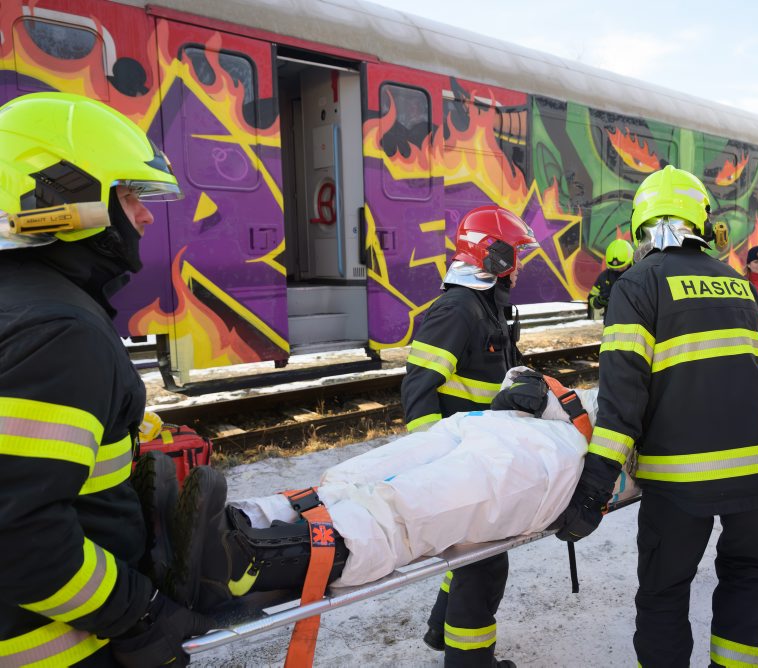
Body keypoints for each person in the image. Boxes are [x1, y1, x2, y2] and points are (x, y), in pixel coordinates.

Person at [0, 93, 211, 666]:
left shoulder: (20, 305)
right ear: (61, 195)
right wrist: (138, 615)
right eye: (128, 193)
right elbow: (17, 533)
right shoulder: (59, 329)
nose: (144, 214)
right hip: (57, 647)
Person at [557, 165, 758, 667]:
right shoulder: (736, 282)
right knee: (747, 585)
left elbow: (622, 404)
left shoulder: (637, 284)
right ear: (701, 223)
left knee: (664, 592)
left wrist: (593, 491)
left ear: (642, 226)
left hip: (683, 479)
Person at [155, 370, 616, 611]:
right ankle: (244, 520)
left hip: (565, 460)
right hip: (519, 424)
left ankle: (244, 561)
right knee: (355, 476)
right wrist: (532, 386)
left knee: (411, 508)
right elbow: (605, 397)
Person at [400, 205, 537, 666]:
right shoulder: (458, 309)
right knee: (484, 566)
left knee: (469, 554)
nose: (519, 267)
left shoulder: (487, 307)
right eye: (515, 256)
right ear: (493, 257)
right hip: (462, 460)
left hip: (481, 455)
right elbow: (418, 385)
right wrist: (436, 458)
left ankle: (442, 628)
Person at [588, 238, 634, 320]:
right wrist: (599, 300)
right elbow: (591, 300)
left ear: (630, 260)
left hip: (633, 323)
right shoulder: (604, 277)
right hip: (610, 325)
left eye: (621, 267)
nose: (617, 270)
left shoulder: (637, 275)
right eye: (614, 268)